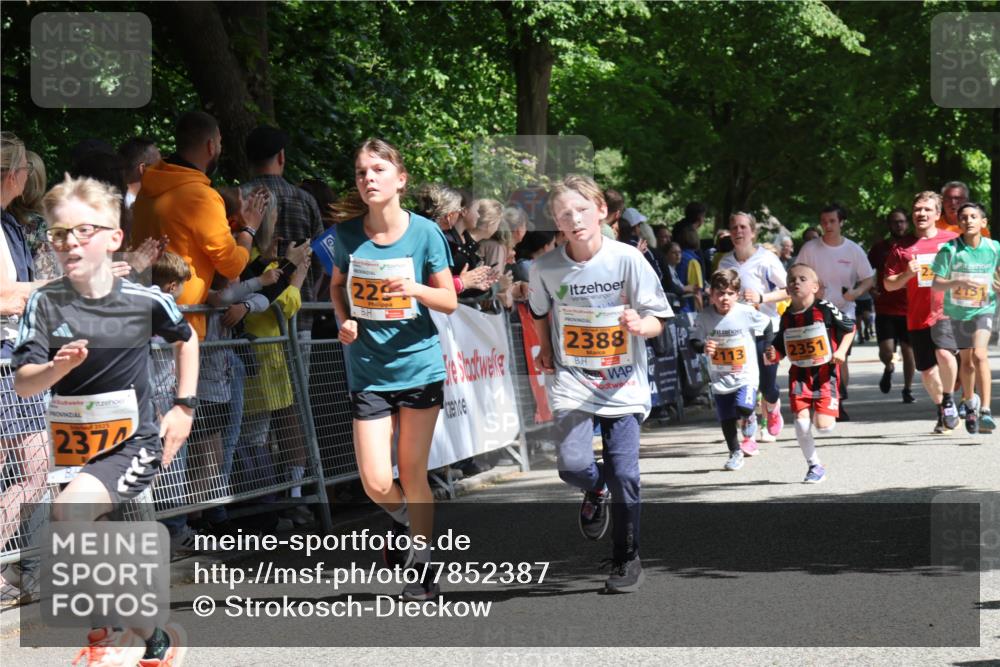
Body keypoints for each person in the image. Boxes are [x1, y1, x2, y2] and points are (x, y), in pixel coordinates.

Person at [13, 174, 197, 665]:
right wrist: (55, 368)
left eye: (83, 231)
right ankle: (117, 633)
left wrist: (185, 406)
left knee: (69, 518)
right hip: (72, 450)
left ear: (115, 239)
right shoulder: (44, 304)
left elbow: (188, 338)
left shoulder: (143, 300)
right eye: (59, 233)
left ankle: (147, 633)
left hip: (130, 444)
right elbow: (23, 382)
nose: (70, 242)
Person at [529, 174, 672, 593]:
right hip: (574, 379)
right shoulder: (546, 267)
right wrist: (545, 348)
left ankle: (626, 557)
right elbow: (539, 311)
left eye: (581, 210)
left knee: (625, 472)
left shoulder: (627, 258)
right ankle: (595, 489)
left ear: (602, 212)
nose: (573, 220)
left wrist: (639, 324)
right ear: (557, 222)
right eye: (563, 214)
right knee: (572, 465)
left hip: (622, 381)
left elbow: (658, 319)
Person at [329, 138, 457, 601]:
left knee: (412, 470)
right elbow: (337, 286)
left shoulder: (424, 233)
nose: (369, 179)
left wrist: (415, 289)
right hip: (368, 370)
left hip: (419, 367)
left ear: (400, 179)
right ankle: (412, 526)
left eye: (378, 170)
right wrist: (344, 320)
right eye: (362, 172)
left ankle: (421, 569)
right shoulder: (345, 236)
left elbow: (449, 300)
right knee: (376, 481)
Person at [132, 110, 260, 340]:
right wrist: (248, 229)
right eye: (220, 142)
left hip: (142, 319)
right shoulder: (202, 197)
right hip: (179, 327)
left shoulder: (146, 190)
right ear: (211, 146)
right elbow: (231, 266)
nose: (220, 149)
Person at [765, 264, 855, 484]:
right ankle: (815, 466)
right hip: (800, 376)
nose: (796, 282)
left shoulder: (824, 308)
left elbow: (850, 328)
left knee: (824, 427)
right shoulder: (786, 316)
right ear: (787, 287)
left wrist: (842, 351)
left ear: (815, 286)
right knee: (802, 424)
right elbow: (781, 347)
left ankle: (824, 415)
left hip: (826, 375)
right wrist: (773, 353)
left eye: (803, 279)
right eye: (792, 279)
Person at [884, 192, 959, 434]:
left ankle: (948, 399)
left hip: (947, 312)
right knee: (927, 371)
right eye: (917, 209)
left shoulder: (954, 240)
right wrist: (907, 274)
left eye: (927, 209)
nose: (921, 214)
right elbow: (888, 284)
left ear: (937, 214)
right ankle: (942, 410)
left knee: (945, 355)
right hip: (917, 316)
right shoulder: (901, 247)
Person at [794, 204, 874, 420]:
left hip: (844, 311)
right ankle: (821, 397)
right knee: (819, 357)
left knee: (839, 357)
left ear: (841, 223)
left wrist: (856, 292)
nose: (827, 226)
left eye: (832, 221)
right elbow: (796, 274)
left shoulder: (853, 249)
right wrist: (807, 287)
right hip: (815, 311)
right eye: (824, 221)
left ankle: (838, 401)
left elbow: (868, 278)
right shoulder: (810, 249)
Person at [692, 269, 773, 470]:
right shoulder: (705, 317)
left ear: (737, 294)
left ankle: (750, 416)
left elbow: (768, 324)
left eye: (729, 293)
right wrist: (702, 346)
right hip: (719, 377)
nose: (724, 298)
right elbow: (692, 340)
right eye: (719, 293)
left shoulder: (745, 312)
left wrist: (768, 348)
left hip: (745, 374)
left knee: (743, 408)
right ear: (711, 295)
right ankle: (735, 452)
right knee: (726, 418)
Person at [718, 211, 788, 440]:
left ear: (753, 232)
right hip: (739, 334)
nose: (738, 232)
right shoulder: (725, 262)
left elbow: (788, 289)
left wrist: (761, 298)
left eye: (743, 227)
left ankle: (774, 405)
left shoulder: (767, 259)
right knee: (745, 382)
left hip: (767, 330)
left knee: (767, 385)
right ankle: (749, 428)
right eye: (734, 228)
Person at [931, 202, 999, 433]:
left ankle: (986, 411)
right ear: (958, 223)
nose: (968, 220)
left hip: (984, 309)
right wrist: (956, 282)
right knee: (967, 362)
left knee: (980, 355)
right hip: (958, 312)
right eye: (963, 218)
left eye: (973, 216)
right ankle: (970, 403)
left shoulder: (994, 248)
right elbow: (936, 283)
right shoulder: (950, 250)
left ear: (983, 222)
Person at [868, 208, 916, 403]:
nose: (899, 225)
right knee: (887, 351)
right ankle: (889, 367)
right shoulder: (879, 248)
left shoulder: (914, 245)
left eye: (903, 221)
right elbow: (865, 271)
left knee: (908, 350)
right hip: (885, 307)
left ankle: (907, 389)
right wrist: (871, 288)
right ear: (889, 225)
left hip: (910, 307)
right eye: (895, 222)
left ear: (908, 223)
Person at [117, 137, 161, 209]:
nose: (163, 171)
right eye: (158, 166)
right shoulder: (124, 207)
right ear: (143, 169)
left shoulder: (110, 200)